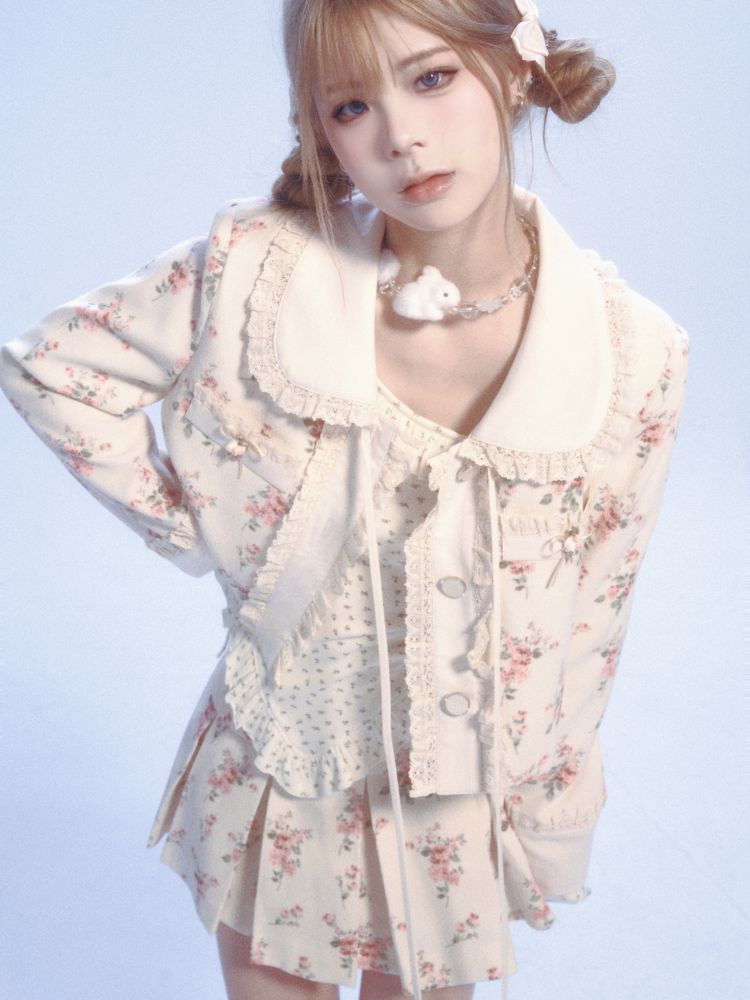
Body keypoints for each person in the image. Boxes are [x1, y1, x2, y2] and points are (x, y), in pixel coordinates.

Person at [0, 1, 690, 998]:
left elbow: (596, 610)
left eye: (432, 78)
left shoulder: (633, 355)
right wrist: (194, 525)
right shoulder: (255, 273)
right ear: (320, 130)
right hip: (287, 760)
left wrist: (546, 814)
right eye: (350, 105)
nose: (400, 135)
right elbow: (53, 367)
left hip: (454, 799)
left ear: (512, 67)